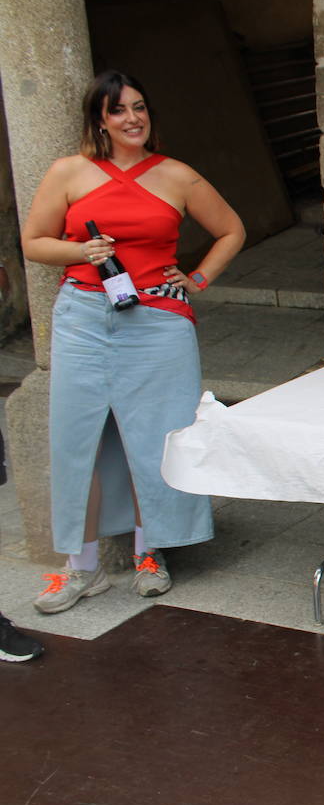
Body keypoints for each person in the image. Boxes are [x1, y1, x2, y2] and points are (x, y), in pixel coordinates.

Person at [21, 70, 244, 612]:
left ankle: (151, 552)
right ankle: (82, 567)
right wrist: (82, 253)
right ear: (100, 118)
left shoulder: (176, 175)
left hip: (158, 319)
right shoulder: (69, 172)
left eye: (140, 107)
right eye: (119, 110)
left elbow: (231, 229)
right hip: (83, 316)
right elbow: (33, 242)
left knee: (156, 436)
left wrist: (197, 279)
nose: (133, 118)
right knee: (80, 441)